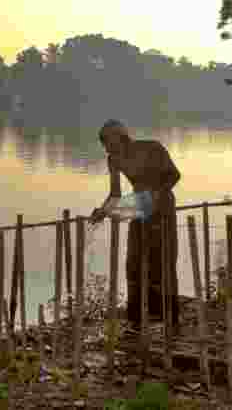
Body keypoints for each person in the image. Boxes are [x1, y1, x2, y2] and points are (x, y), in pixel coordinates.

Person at [91, 120, 181, 329]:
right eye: (103, 143)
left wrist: (157, 194)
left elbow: (174, 175)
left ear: (120, 137)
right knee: (134, 261)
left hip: (162, 206)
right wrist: (103, 211)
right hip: (139, 206)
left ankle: (168, 317)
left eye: (107, 141)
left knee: (162, 260)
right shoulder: (113, 159)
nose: (106, 147)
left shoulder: (152, 148)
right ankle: (137, 316)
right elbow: (115, 195)